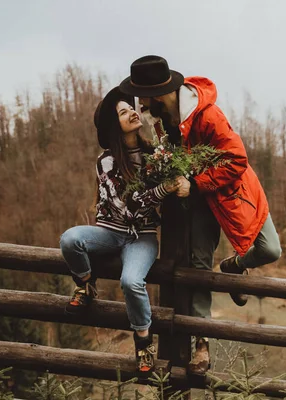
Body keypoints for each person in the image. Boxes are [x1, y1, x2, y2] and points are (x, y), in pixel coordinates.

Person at [120, 55, 282, 374]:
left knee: (269, 249)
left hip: (234, 192)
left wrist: (195, 183)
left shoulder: (207, 115)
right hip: (197, 203)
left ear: (157, 92)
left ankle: (234, 267)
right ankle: (202, 344)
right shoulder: (163, 119)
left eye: (142, 96)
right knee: (197, 268)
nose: (140, 104)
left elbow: (236, 159)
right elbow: (169, 156)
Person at [59, 86, 189, 372]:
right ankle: (85, 284)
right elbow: (126, 208)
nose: (132, 111)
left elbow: (146, 206)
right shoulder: (106, 161)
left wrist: (175, 184)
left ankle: (143, 343)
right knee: (70, 239)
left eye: (131, 108)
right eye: (123, 111)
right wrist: (162, 190)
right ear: (114, 125)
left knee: (131, 282)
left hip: (142, 238)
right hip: (109, 231)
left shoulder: (155, 155)